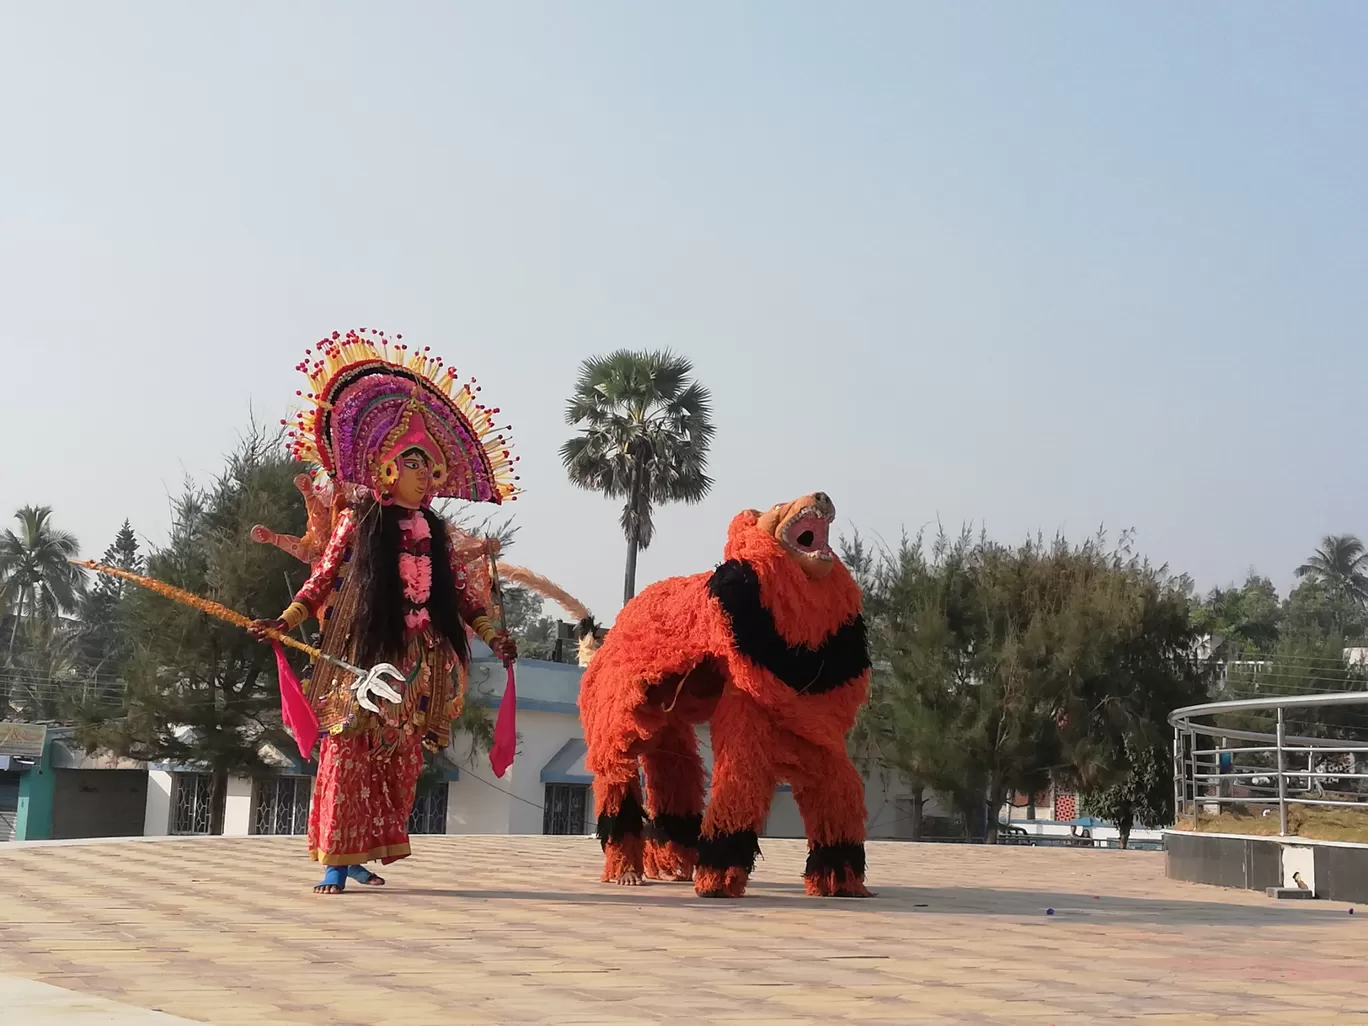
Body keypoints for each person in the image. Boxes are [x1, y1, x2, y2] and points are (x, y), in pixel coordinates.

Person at [252, 329, 519, 894]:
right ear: (391, 470)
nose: (428, 476)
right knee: (348, 751)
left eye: (432, 467)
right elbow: (323, 579)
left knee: (396, 764)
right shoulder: (359, 521)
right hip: (362, 656)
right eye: (417, 464)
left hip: (417, 663)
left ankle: (360, 852)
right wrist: (286, 621)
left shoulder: (439, 533)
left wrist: (496, 637)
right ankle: (335, 857)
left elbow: (466, 600)